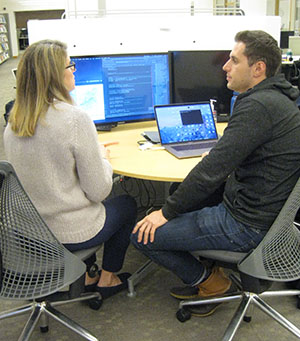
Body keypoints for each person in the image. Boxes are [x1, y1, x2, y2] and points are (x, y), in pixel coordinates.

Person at [131, 30, 300, 315]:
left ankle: (210, 282)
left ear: (258, 68)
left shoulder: (257, 105)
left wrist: (165, 213)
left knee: (141, 235)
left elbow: (210, 172)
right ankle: (210, 264)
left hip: (246, 224)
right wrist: (223, 154)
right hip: (270, 214)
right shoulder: (279, 98)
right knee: (183, 195)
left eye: (233, 60)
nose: (225, 67)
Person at [4, 39, 137, 299]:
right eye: (70, 66)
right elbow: (98, 191)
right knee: (126, 204)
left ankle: (88, 274)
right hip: (68, 232)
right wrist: (103, 156)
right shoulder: (75, 119)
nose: (74, 70)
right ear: (55, 75)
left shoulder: (15, 121)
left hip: (28, 232)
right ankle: (107, 279)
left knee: (84, 201)